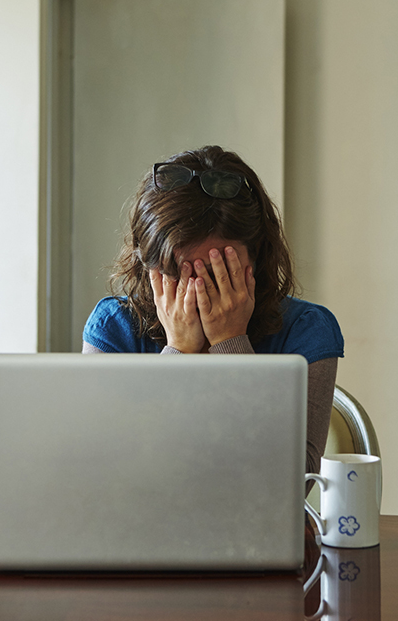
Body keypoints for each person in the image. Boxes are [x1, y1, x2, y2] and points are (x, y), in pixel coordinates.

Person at [82, 146, 344, 476]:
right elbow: (105, 471)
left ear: (256, 259)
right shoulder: (114, 328)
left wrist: (230, 343)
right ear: (148, 266)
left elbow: (294, 483)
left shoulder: (306, 330)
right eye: (181, 273)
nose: (198, 290)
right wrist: (178, 350)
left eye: (219, 273)